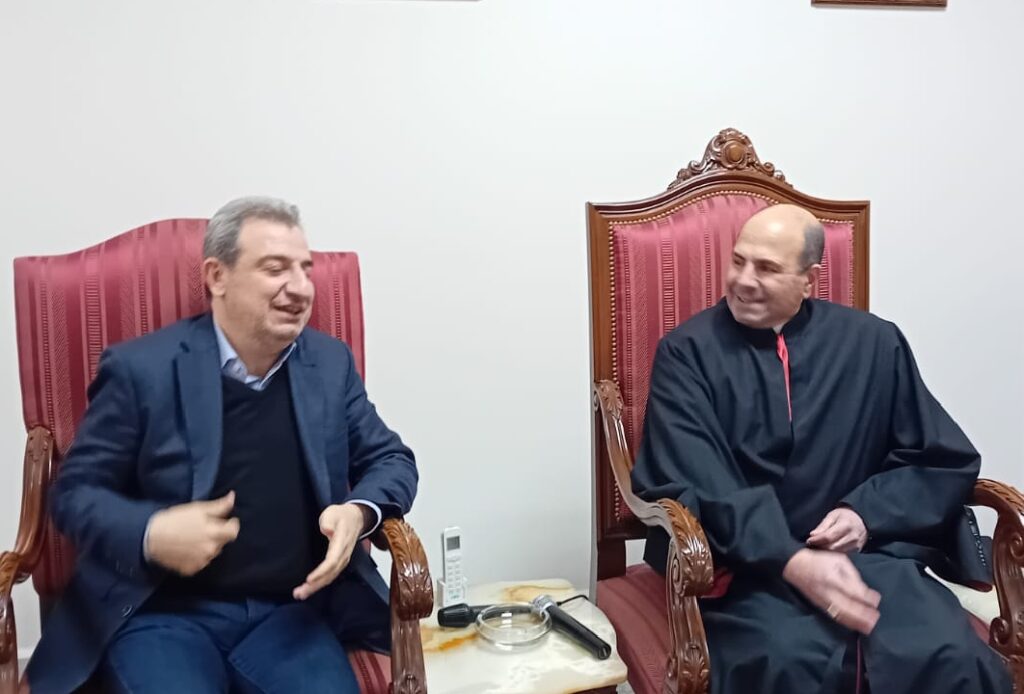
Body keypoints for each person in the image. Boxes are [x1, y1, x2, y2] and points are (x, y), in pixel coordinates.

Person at [25, 196, 418, 694]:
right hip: (162, 615)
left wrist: (358, 513)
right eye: (275, 269)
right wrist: (151, 532)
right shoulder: (141, 370)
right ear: (217, 276)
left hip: (291, 611)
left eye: (305, 269)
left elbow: (390, 459)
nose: (300, 287)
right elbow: (74, 494)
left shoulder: (328, 363)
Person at [631, 204, 1011, 693]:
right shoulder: (687, 353)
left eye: (767, 268)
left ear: (809, 279)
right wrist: (791, 559)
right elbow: (699, 477)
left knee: (950, 654)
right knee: (786, 663)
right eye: (738, 260)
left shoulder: (874, 343)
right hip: (749, 571)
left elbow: (939, 458)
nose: (743, 280)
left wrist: (865, 514)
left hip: (873, 563)